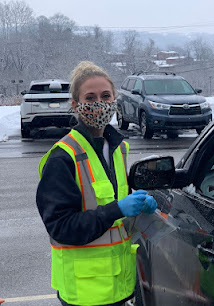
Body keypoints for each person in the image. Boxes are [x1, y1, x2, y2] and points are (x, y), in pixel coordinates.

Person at [36, 61, 157, 306]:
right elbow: (61, 228)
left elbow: (114, 210)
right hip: (84, 293)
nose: (99, 104)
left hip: (117, 287)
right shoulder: (63, 157)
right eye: (90, 98)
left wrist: (137, 208)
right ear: (75, 105)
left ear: (115, 100)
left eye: (105, 96)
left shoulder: (118, 148)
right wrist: (118, 209)